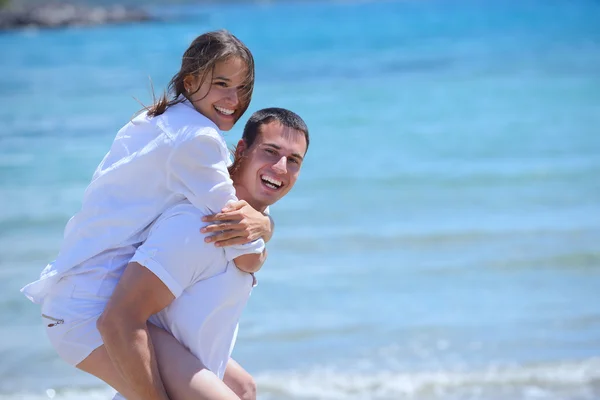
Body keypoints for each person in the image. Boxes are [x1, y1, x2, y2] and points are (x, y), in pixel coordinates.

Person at [21, 30, 272, 398]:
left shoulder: (153, 119)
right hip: (92, 312)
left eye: (242, 88)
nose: (234, 100)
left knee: (241, 388)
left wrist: (257, 225)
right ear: (190, 81)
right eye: (221, 83)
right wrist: (265, 226)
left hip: (96, 299)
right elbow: (247, 253)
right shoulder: (198, 140)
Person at [100, 108, 310, 400]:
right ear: (242, 150)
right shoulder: (197, 225)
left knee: (245, 389)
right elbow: (121, 317)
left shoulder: (251, 224)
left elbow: (251, 258)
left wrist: (266, 227)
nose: (281, 167)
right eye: (271, 151)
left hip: (187, 369)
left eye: (294, 161)